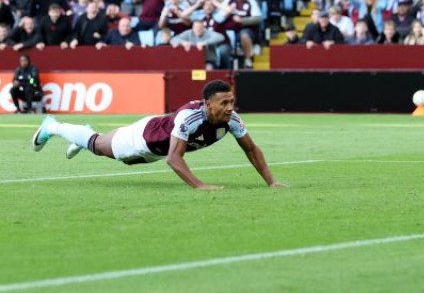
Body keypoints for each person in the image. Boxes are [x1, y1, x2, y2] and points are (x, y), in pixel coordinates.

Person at [32, 80, 287, 190]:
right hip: (142, 139)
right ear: (208, 104)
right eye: (224, 103)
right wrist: (200, 185)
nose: (230, 107)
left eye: (231, 101)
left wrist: (271, 181)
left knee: (97, 143)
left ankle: (83, 137)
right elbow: (173, 160)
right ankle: (51, 126)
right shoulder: (191, 118)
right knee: (98, 146)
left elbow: (251, 149)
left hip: (157, 145)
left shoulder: (232, 120)